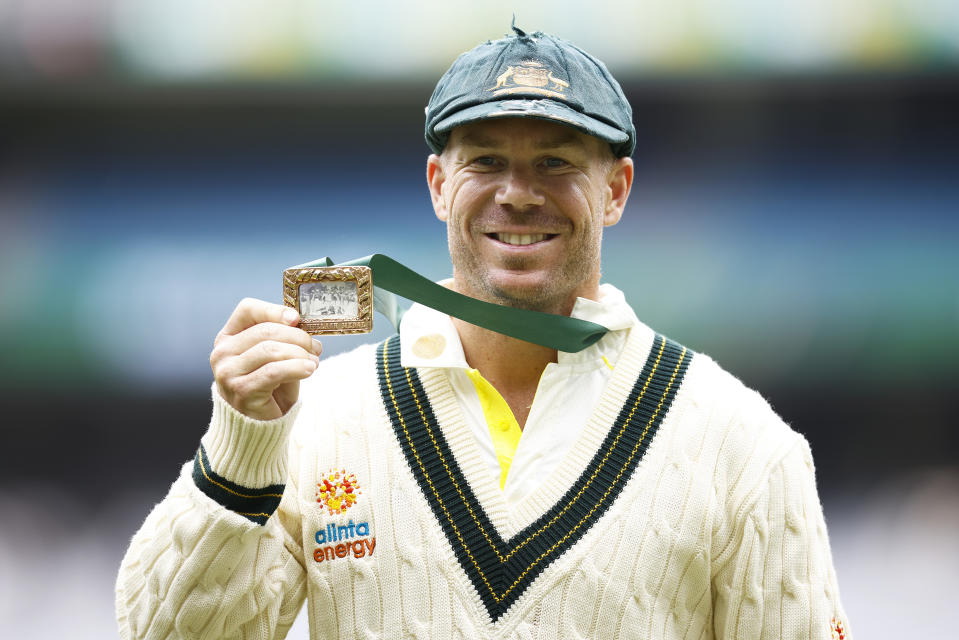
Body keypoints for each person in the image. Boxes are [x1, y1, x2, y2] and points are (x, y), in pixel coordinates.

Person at [117, 26, 851, 640]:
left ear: (616, 190)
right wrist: (242, 450)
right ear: (439, 184)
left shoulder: (742, 444)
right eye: (486, 161)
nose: (518, 192)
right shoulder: (317, 421)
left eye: (555, 162)